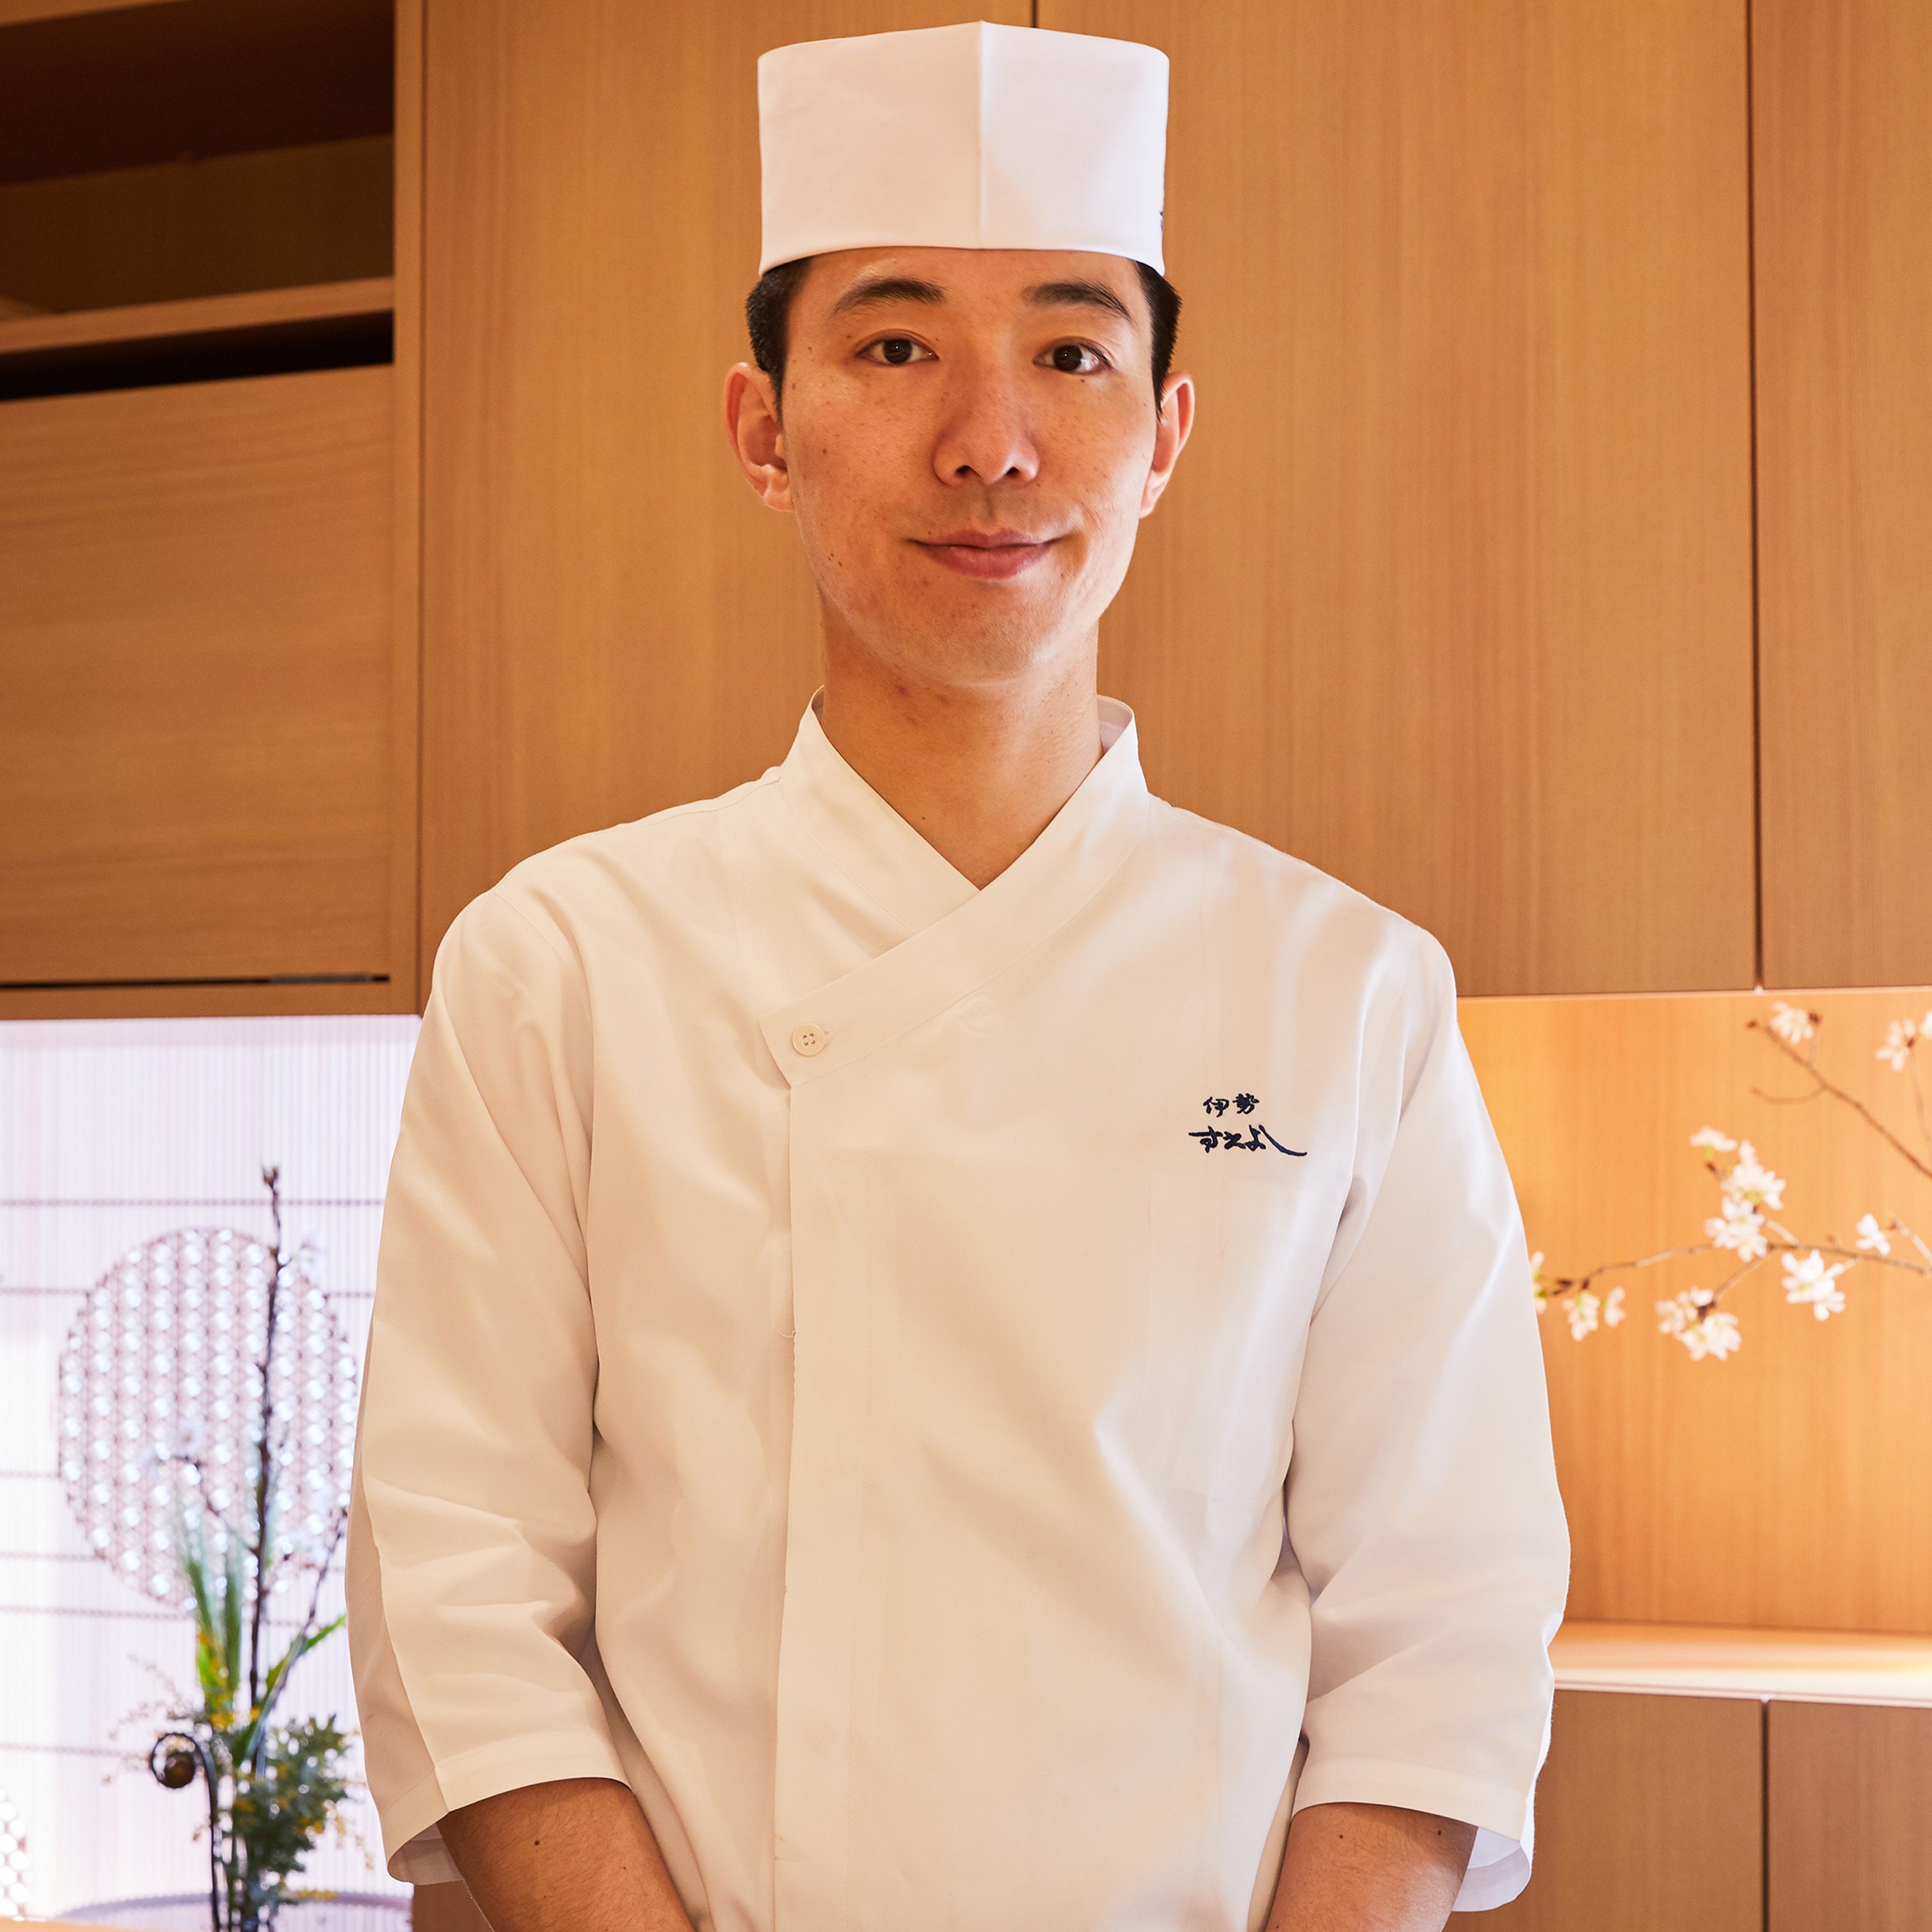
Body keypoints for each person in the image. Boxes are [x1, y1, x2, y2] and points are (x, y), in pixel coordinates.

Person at [348, 21, 1568, 1932]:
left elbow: (1444, 1632)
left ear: (1164, 435)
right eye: (896, 346)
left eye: (1071, 354)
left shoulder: (1348, 993)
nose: (990, 442)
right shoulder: (561, 960)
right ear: (763, 430)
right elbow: (458, 1590)